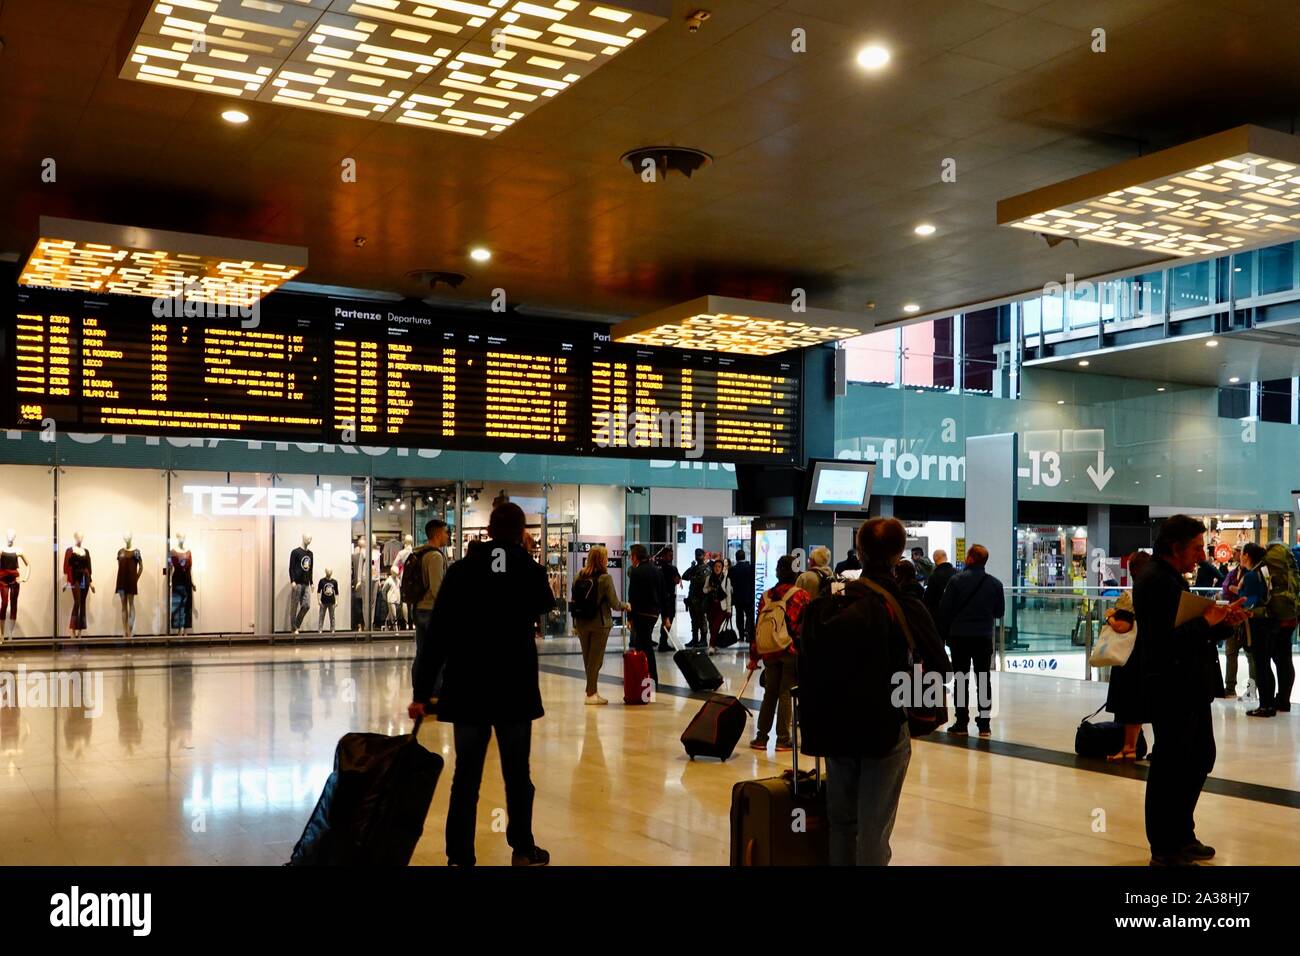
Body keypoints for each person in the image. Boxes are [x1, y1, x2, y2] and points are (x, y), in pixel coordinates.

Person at [409, 502, 554, 867]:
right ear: (522, 533)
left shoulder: (460, 572)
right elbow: (544, 605)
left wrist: (421, 694)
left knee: (466, 777)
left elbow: (437, 638)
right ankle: (522, 847)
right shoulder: (530, 571)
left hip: (468, 687)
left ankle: (459, 855)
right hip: (514, 690)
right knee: (518, 775)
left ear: (488, 532)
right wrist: (526, 555)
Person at [798, 517, 950, 866]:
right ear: (899, 555)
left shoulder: (830, 602)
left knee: (841, 823)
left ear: (860, 551)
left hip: (835, 729)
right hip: (883, 730)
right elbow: (941, 667)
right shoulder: (904, 603)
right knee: (873, 829)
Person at [1137, 514, 1246, 866]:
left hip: (1187, 685)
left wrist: (1222, 625)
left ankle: (1181, 835)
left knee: (1197, 758)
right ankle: (1165, 846)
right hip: (1172, 687)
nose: (1202, 555)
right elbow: (1165, 643)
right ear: (1175, 547)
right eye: (1197, 547)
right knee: (1173, 764)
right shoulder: (1157, 582)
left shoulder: (1169, 579)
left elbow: (1188, 635)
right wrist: (1206, 621)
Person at [937, 544, 1005, 737]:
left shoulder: (956, 581)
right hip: (983, 637)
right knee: (983, 679)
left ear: (970, 559)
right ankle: (984, 724)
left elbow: (945, 610)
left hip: (959, 638)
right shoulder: (995, 584)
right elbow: (999, 612)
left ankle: (961, 722)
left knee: (961, 679)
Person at [747, 554, 811, 753]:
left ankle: (761, 737)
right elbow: (806, 626)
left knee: (770, 693)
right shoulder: (801, 595)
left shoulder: (766, 596)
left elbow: (758, 627)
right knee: (786, 692)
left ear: (777, 572)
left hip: (769, 651)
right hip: (790, 650)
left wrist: (754, 656)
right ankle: (783, 739)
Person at [1102, 550, 1152, 761]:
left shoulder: (1129, 596)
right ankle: (1134, 745)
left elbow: (1123, 626)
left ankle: (1129, 747)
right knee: (1140, 702)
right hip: (1148, 654)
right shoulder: (1156, 594)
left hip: (1129, 656)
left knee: (1129, 703)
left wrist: (1110, 618)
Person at [571, 546, 628, 705]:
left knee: (588, 659)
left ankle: (592, 691)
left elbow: (574, 599)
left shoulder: (578, 576)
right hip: (600, 623)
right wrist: (626, 605)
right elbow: (614, 603)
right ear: (602, 559)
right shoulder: (605, 578)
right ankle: (591, 694)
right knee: (596, 660)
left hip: (581, 622)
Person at [409, 519, 450, 694]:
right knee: (438, 653)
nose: (448, 536)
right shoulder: (435, 556)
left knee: (423, 650)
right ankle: (434, 690)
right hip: (432, 609)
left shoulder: (420, 553)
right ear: (438, 533)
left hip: (419, 608)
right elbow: (437, 588)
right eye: (446, 532)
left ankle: (419, 686)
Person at [1219, 547, 1255, 699]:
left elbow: (1248, 595)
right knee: (1231, 653)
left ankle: (1251, 690)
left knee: (1250, 656)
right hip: (1234, 616)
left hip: (1247, 618)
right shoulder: (1235, 572)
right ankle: (1230, 688)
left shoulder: (1252, 574)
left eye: (1239, 552)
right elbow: (1226, 587)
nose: (1236, 555)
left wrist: (1237, 591)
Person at [625, 544, 662, 685]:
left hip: (641, 613)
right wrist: (665, 616)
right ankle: (644, 676)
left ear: (635, 556)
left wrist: (630, 617)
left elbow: (632, 596)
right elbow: (663, 593)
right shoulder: (656, 571)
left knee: (644, 645)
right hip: (653, 613)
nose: (630, 559)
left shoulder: (636, 571)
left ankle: (649, 678)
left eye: (630, 556)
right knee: (642, 644)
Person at [653, 547, 681, 652]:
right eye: (670, 555)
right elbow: (677, 580)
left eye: (672, 555)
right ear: (664, 556)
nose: (671, 557)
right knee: (668, 619)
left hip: (657, 597)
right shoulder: (671, 569)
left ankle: (659, 641)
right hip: (668, 597)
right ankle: (663, 642)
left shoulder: (655, 567)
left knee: (655, 619)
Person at [703, 557, 733, 655]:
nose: (717, 568)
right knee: (712, 627)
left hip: (721, 607)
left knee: (716, 625)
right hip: (711, 606)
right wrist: (709, 589)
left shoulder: (726, 579)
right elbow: (704, 590)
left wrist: (729, 610)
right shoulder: (709, 577)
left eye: (719, 566)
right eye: (715, 566)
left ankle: (711, 646)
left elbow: (728, 595)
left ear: (722, 568)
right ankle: (713, 645)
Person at [682, 549, 709, 648]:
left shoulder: (706, 568)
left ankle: (703, 639)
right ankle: (694, 639)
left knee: (702, 620)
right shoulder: (695, 568)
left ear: (704, 555)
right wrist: (692, 568)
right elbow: (684, 576)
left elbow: (701, 580)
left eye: (700, 555)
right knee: (694, 620)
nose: (698, 557)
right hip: (692, 599)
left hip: (701, 599)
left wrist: (693, 575)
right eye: (696, 555)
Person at [730, 548, 755, 645]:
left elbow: (731, 583)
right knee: (749, 616)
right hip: (749, 597)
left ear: (736, 558)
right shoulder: (750, 568)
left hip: (738, 597)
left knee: (739, 616)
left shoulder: (733, 570)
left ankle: (741, 635)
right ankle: (748, 634)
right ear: (745, 557)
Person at [923, 549, 956, 620]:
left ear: (934, 560)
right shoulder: (957, 573)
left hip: (938, 616)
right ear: (946, 558)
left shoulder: (934, 576)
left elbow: (928, 599)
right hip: (955, 615)